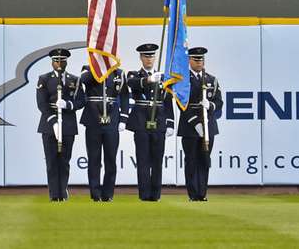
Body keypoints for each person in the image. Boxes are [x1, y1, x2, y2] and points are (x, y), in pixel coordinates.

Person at [126, 43, 173, 202]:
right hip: (141, 122)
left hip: (159, 122)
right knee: (143, 160)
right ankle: (144, 194)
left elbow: (168, 101)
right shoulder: (134, 74)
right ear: (141, 58)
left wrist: (170, 123)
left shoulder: (164, 77)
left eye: (151, 56)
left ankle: (156, 194)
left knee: (157, 161)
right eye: (146, 56)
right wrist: (148, 80)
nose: (149, 59)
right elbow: (131, 84)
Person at [35, 48, 83, 202]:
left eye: (62, 60)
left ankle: (62, 192)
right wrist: (54, 122)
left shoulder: (74, 80)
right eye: (56, 60)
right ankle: (54, 194)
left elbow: (82, 100)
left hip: (68, 123)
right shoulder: (44, 79)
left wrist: (68, 104)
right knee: (51, 161)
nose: (59, 63)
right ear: (52, 62)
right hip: (49, 125)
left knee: (64, 161)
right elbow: (42, 104)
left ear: (66, 61)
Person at [77, 64, 128, 202]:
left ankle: (108, 194)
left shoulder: (119, 73)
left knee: (111, 159)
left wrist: (123, 118)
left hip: (112, 119)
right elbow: (83, 80)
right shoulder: (88, 68)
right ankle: (95, 193)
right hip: (93, 118)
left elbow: (124, 96)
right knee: (94, 158)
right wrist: (98, 68)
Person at [178, 47, 223, 202]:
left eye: (201, 60)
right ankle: (193, 193)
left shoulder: (211, 80)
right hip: (190, 126)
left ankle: (202, 193)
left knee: (204, 159)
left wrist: (210, 105)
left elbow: (219, 102)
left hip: (208, 125)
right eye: (196, 60)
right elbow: (182, 104)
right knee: (191, 160)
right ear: (190, 61)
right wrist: (196, 123)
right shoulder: (183, 81)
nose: (199, 63)